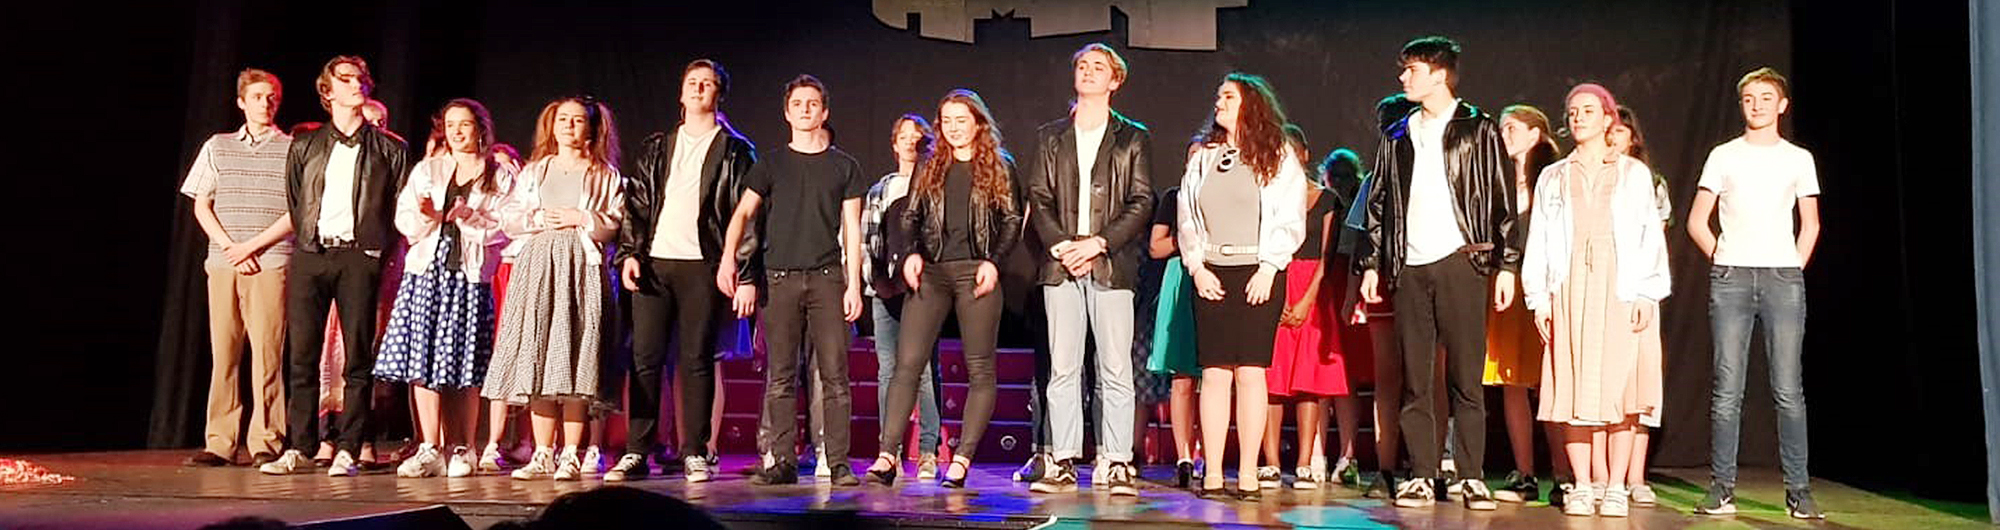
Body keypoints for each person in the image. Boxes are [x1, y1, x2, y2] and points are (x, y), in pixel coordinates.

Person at [1354, 37, 1518, 510]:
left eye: (1413, 69)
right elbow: (1379, 204)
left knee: (1466, 376)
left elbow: (1501, 197)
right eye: (1403, 69)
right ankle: (1422, 473)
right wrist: (1372, 263)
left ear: (1440, 75)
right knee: (1416, 377)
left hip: (1463, 260)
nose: (1403, 77)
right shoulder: (1397, 134)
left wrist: (1507, 263)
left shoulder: (1477, 128)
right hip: (1410, 265)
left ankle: (1470, 475)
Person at [1521, 84, 1670, 517]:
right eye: (1572, 111)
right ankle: (1584, 484)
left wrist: (1646, 292)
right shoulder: (1554, 176)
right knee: (1572, 388)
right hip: (1570, 288)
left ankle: (1617, 485)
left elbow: (1648, 235)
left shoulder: (1632, 173)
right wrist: (1540, 299)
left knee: (1623, 390)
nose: (1578, 117)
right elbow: (1540, 239)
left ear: (1608, 119)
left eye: (1588, 110)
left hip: (1621, 287)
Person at [608, 59, 759, 483]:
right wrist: (630, 253)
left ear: (719, 94)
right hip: (655, 263)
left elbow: (748, 214)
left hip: (703, 265)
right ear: (681, 92)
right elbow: (637, 203)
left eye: (707, 83)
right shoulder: (658, 147)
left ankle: (695, 450)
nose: (698, 88)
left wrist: (743, 269)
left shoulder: (736, 151)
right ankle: (637, 450)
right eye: (692, 82)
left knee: (696, 359)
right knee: (645, 357)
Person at [865, 89, 1022, 489]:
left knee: (980, 368)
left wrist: (994, 262)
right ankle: (887, 454)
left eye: (961, 120)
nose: (953, 128)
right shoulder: (930, 164)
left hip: (976, 271)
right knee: (907, 363)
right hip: (933, 272)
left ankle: (962, 459)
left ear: (978, 123)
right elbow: (910, 217)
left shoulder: (999, 165)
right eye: (947, 121)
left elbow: (1011, 220)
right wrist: (910, 254)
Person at [261, 56, 411, 477]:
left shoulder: (390, 147)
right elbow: (297, 200)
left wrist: (375, 251)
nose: (356, 84)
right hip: (313, 254)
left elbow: (398, 208)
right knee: (303, 355)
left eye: (361, 78)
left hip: (359, 256)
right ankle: (300, 445)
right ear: (327, 92)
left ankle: (349, 446)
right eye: (345, 79)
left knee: (357, 358)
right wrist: (308, 241)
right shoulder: (305, 144)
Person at [1687, 67, 1824, 520]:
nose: (1757, 105)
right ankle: (1721, 488)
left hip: (1782, 277)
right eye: (1749, 98)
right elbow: (1697, 220)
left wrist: (1791, 265)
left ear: (1781, 105)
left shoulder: (1798, 159)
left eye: (1766, 97)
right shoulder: (1724, 155)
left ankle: (1799, 491)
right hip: (1733, 278)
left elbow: (1811, 223)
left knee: (1788, 389)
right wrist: (1723, 259)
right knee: (1727, 388)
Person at [717, 75, 867, 487]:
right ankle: (781, 460)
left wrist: (853, 285)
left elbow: (852, 228)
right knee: (780, 375)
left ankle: (837, 462)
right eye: (797, 103)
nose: (805, 109)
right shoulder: (770, 164)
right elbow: (743, 214)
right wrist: (729, 259)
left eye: (812, 103)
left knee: (834, 375)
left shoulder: (845, 166)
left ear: (824, 111)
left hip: (827, 279)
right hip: (779, 279)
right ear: (786, 113)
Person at [1022, 43, 1154, 496]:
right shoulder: (1050, 136)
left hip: (1110, 263)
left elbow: (1141, 200)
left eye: (1099, 67)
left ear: (1115, 80)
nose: (1089, 72)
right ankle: (1062, 459)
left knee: (1114, 366)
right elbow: (1038, 196)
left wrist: (1099, 243)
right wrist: (1061, 244)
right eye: (1082, 65)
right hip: (1060, 262)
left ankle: (1116, 460)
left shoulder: (1132, 137)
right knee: (1063, 366)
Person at [1179, 72, 1308, 500]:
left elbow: (1290, 217)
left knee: (1251, 372)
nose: (1219, 102)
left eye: (1229, 97)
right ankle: (1214, 473)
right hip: (1212, 273)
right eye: (1218, 96)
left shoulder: (1278, 155)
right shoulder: (1204, 157)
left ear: (1251, 104)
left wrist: (1269, 268)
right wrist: (1197, 267)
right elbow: (1186, 217)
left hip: (1258, 273)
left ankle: (1249, 473)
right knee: (1214, 373)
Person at [483, 96, 625, 481]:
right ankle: (543, 452)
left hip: (580, 267)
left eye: (577, 120)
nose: (569, 126)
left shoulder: (603, 173)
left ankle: (571, 453)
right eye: (563, 119)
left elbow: (615, 221)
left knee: (575, 358)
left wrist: (583, 217)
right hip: (539, 264)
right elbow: (510, 216)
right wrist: (536, 218)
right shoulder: (535, 170)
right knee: (539, 355)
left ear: (591, 128)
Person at [376, 98, 516, 478]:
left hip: (468, 276)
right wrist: (431, 218)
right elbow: (405, 216)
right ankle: (429, 446)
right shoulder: (429, 169)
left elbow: (507, 225)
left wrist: (469, 217)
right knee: (422, 362)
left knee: (463, 364)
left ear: (480, 129)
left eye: (464, 124)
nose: (456, 131)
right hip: (427, 274)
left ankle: (463, 446)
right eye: (450, 124)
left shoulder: (499, 174)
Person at [182, 68, 293, 468]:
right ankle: (220, 441)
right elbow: (201, 203)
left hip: (270, 260)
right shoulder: (218, 145)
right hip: (224, 260)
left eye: (272, 96)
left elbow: (297, 211)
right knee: (224, 353)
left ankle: (266, 440)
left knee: (267, 354)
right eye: (258, 96)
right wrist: (231, 247)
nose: (266, 103)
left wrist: (253, 246)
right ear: (241, 102)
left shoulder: (292, 149)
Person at [1484, 103, 1564, 503]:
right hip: (1505, 291)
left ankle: (1565, 475)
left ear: (1535, 134)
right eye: (1501, 129)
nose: (1504, 136)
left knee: (1551, 382)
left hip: (1543, 292)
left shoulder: (1553, 180)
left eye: (1512, 128)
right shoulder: (1496, 183)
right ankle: (1525, 474)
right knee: (1512, 383)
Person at [863, 114, 946, 478]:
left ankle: (928, 451)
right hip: (885, 291)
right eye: (904, 137)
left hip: (923, 291)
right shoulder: (880, 189)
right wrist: (877, 281)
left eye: (917, 137)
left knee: (923, 370)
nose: (910, 143)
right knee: (888, 370)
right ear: (894, 144)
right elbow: (869, 241)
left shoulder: (935, 185)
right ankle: (889, 450)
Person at [1609, 104, 1669, 507]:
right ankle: (1601, 477)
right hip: (1600, 292)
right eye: (1608, 130)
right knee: (1607, 389)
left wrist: (1646, 290)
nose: (1612, 138)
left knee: (1640, 386)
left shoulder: (1648, 180)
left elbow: (1653, 240)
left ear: (1633, 138)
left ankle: (1635, 476)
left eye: (1620, 131)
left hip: (1639, 290)